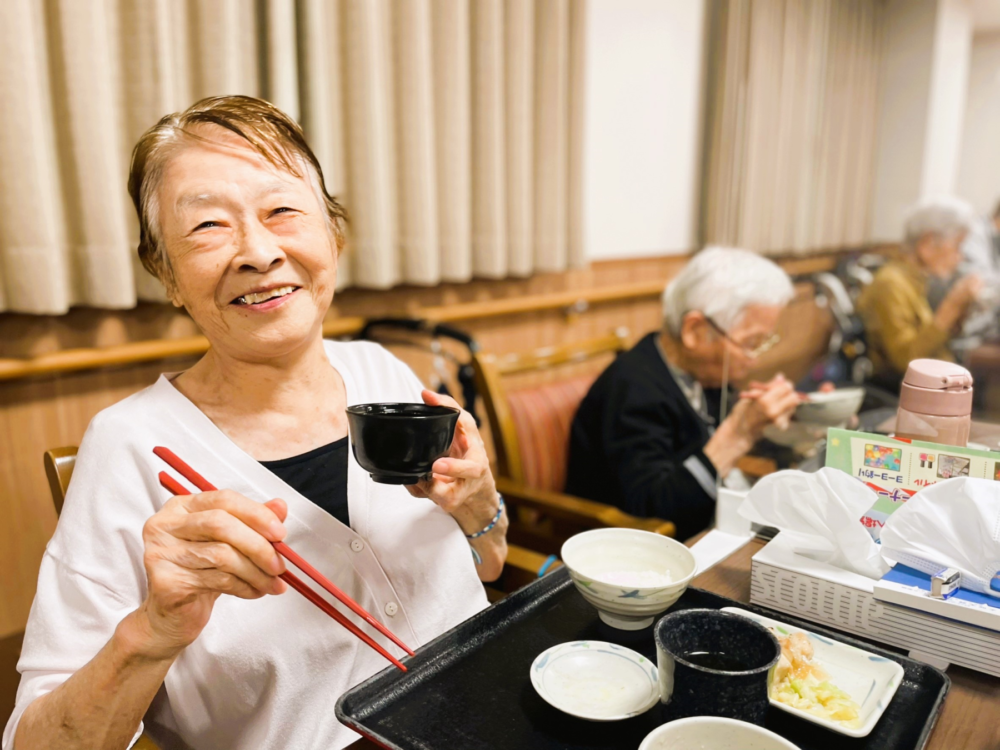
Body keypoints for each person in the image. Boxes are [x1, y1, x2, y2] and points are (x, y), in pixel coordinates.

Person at [4, 96, 507, 750]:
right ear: (169, 276)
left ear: (335, 236)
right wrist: (154, 632)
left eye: (283, 211)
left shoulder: (384, 373)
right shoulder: (128, 447)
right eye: (209, 226)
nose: (258, 251)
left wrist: (480, 504)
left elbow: (491, 566)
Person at [564, 247, 802, 541]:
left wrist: (797, 414)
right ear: (695, 330)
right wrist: (737, 436)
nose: (754, 359)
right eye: (750, 343)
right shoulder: (633, 390)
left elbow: (722, 426)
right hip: (631, 549)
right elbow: (650, 510)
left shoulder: (701, 373)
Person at [858, 196, 984, 390]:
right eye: (957, 246)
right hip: (898, 392)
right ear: (927, 245)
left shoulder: (916, 280)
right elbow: (906, 361)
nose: (960, 257)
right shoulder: (891, 283)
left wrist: (961, 312)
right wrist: (951, 307)